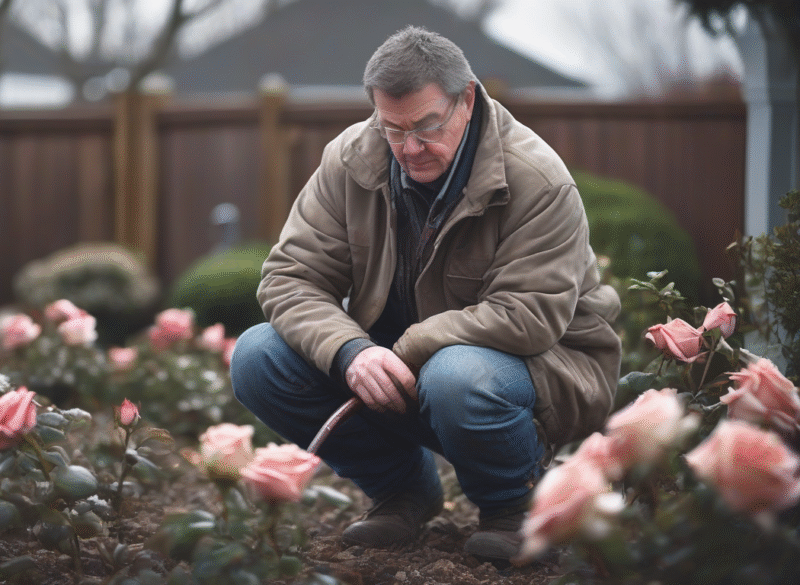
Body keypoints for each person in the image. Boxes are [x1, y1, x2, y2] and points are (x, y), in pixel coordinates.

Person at [229, 26, 621, 561]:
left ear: (466, 99)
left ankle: (514, 507)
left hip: (540, 374)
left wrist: (406, 349)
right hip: (401, 371)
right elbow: (290, 276)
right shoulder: (350, 159)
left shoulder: (536, 180)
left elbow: (529, 316)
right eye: (392, 129)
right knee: (257, 356)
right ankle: (402, 492)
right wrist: (352, 352)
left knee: (457, 374)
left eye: (426, 126)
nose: (409, 148)